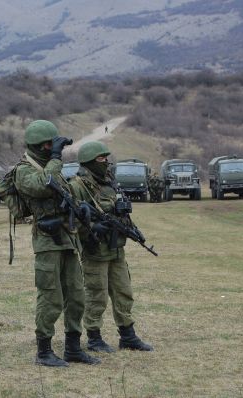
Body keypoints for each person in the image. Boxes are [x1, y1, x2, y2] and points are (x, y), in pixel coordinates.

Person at [15, 120, 100, 367]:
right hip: (47, 241)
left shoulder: (52, 167)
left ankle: (73, 348)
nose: (53, 149)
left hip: (68, 238)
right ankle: (44, 351)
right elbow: (44, 185)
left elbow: (64, 193)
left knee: (76, 295)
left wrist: (82, 208)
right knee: (50, 297)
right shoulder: (24, 170)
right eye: (49, 145)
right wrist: (55, 157)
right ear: (38, 146)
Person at [69, 141, 153, 353]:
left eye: (106, 158)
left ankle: (128, 335)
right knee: (96, 294)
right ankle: (94, 337)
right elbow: (72, 219)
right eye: (101, 159)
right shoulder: (78, 186)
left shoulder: (110, 182)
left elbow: (121, 211)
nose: (106, 162)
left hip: (116, 248)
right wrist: (94, 227)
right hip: (95, 250)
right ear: (89, 162)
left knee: (124, 291)